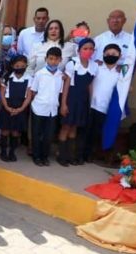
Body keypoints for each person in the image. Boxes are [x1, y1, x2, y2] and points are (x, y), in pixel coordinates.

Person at [84, 44, 131, 160]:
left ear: (120, 56)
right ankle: (82, 154)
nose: (110, 56)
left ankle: (93, 154)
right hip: (91, 105)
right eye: (108, 54)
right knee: (86, 131)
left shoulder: (121, 73)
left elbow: (126, 88)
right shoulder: (96, 67)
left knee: (98, 133)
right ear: (103, 54)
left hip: (105, 108)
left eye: (114, 54)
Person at [58, 38, 98, 166]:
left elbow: (90, 85)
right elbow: (66, 85)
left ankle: (70, 155)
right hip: (71, 98)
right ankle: (61, 155)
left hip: (83, 99)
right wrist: (64, 104)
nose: (88, 51)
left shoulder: (94, 65)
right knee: (66, 126)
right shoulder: (73, 64)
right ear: (79, 50)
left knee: (74, 127)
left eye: (91, 49)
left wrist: (90, 102)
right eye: (85, 48)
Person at [28, 46, 65, 166]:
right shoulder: (40, 74)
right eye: (51, 58)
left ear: (60, 60)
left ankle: (44, 156)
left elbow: (60, 92)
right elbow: (33, 91)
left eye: (56, 59)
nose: (53, 61)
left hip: (52, 110)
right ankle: (36, 156)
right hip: (38, 108)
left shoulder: (61, 76)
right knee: (37, 133)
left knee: (48, 135)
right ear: (46, 59)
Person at [0, 55, 32, 162]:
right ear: (12, 66)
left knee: (16, 132)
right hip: (7, 106)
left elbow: (29, 96)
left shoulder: (29, 78)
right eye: (17, 65)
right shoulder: (7, 78)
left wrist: (20, 109)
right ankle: (3, 152)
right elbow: (2, 94)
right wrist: (7, 107)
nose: (20, 67)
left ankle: (12, 152)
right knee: (5, 131)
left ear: (26, 66)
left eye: (22, 65)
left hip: (20, 108)